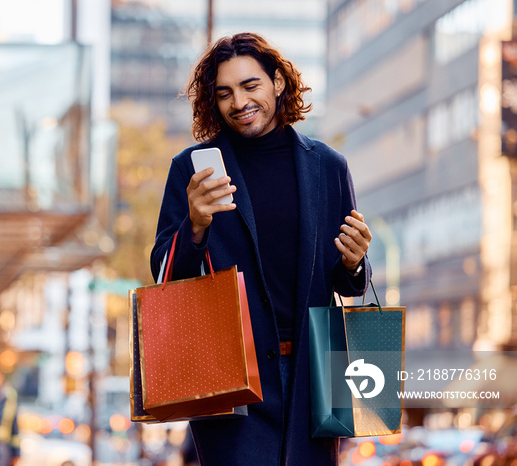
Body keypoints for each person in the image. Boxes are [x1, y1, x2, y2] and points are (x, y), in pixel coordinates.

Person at [150, 32, 372, 465]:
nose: (239, 102)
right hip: (232, 377)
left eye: (250, 86)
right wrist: (194, 224)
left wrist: (354, 261)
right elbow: (164, 277)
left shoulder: (328, 167)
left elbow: (348, 282)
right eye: (225, 93)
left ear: (278, 83)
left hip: (317, 374)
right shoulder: (191, 169)